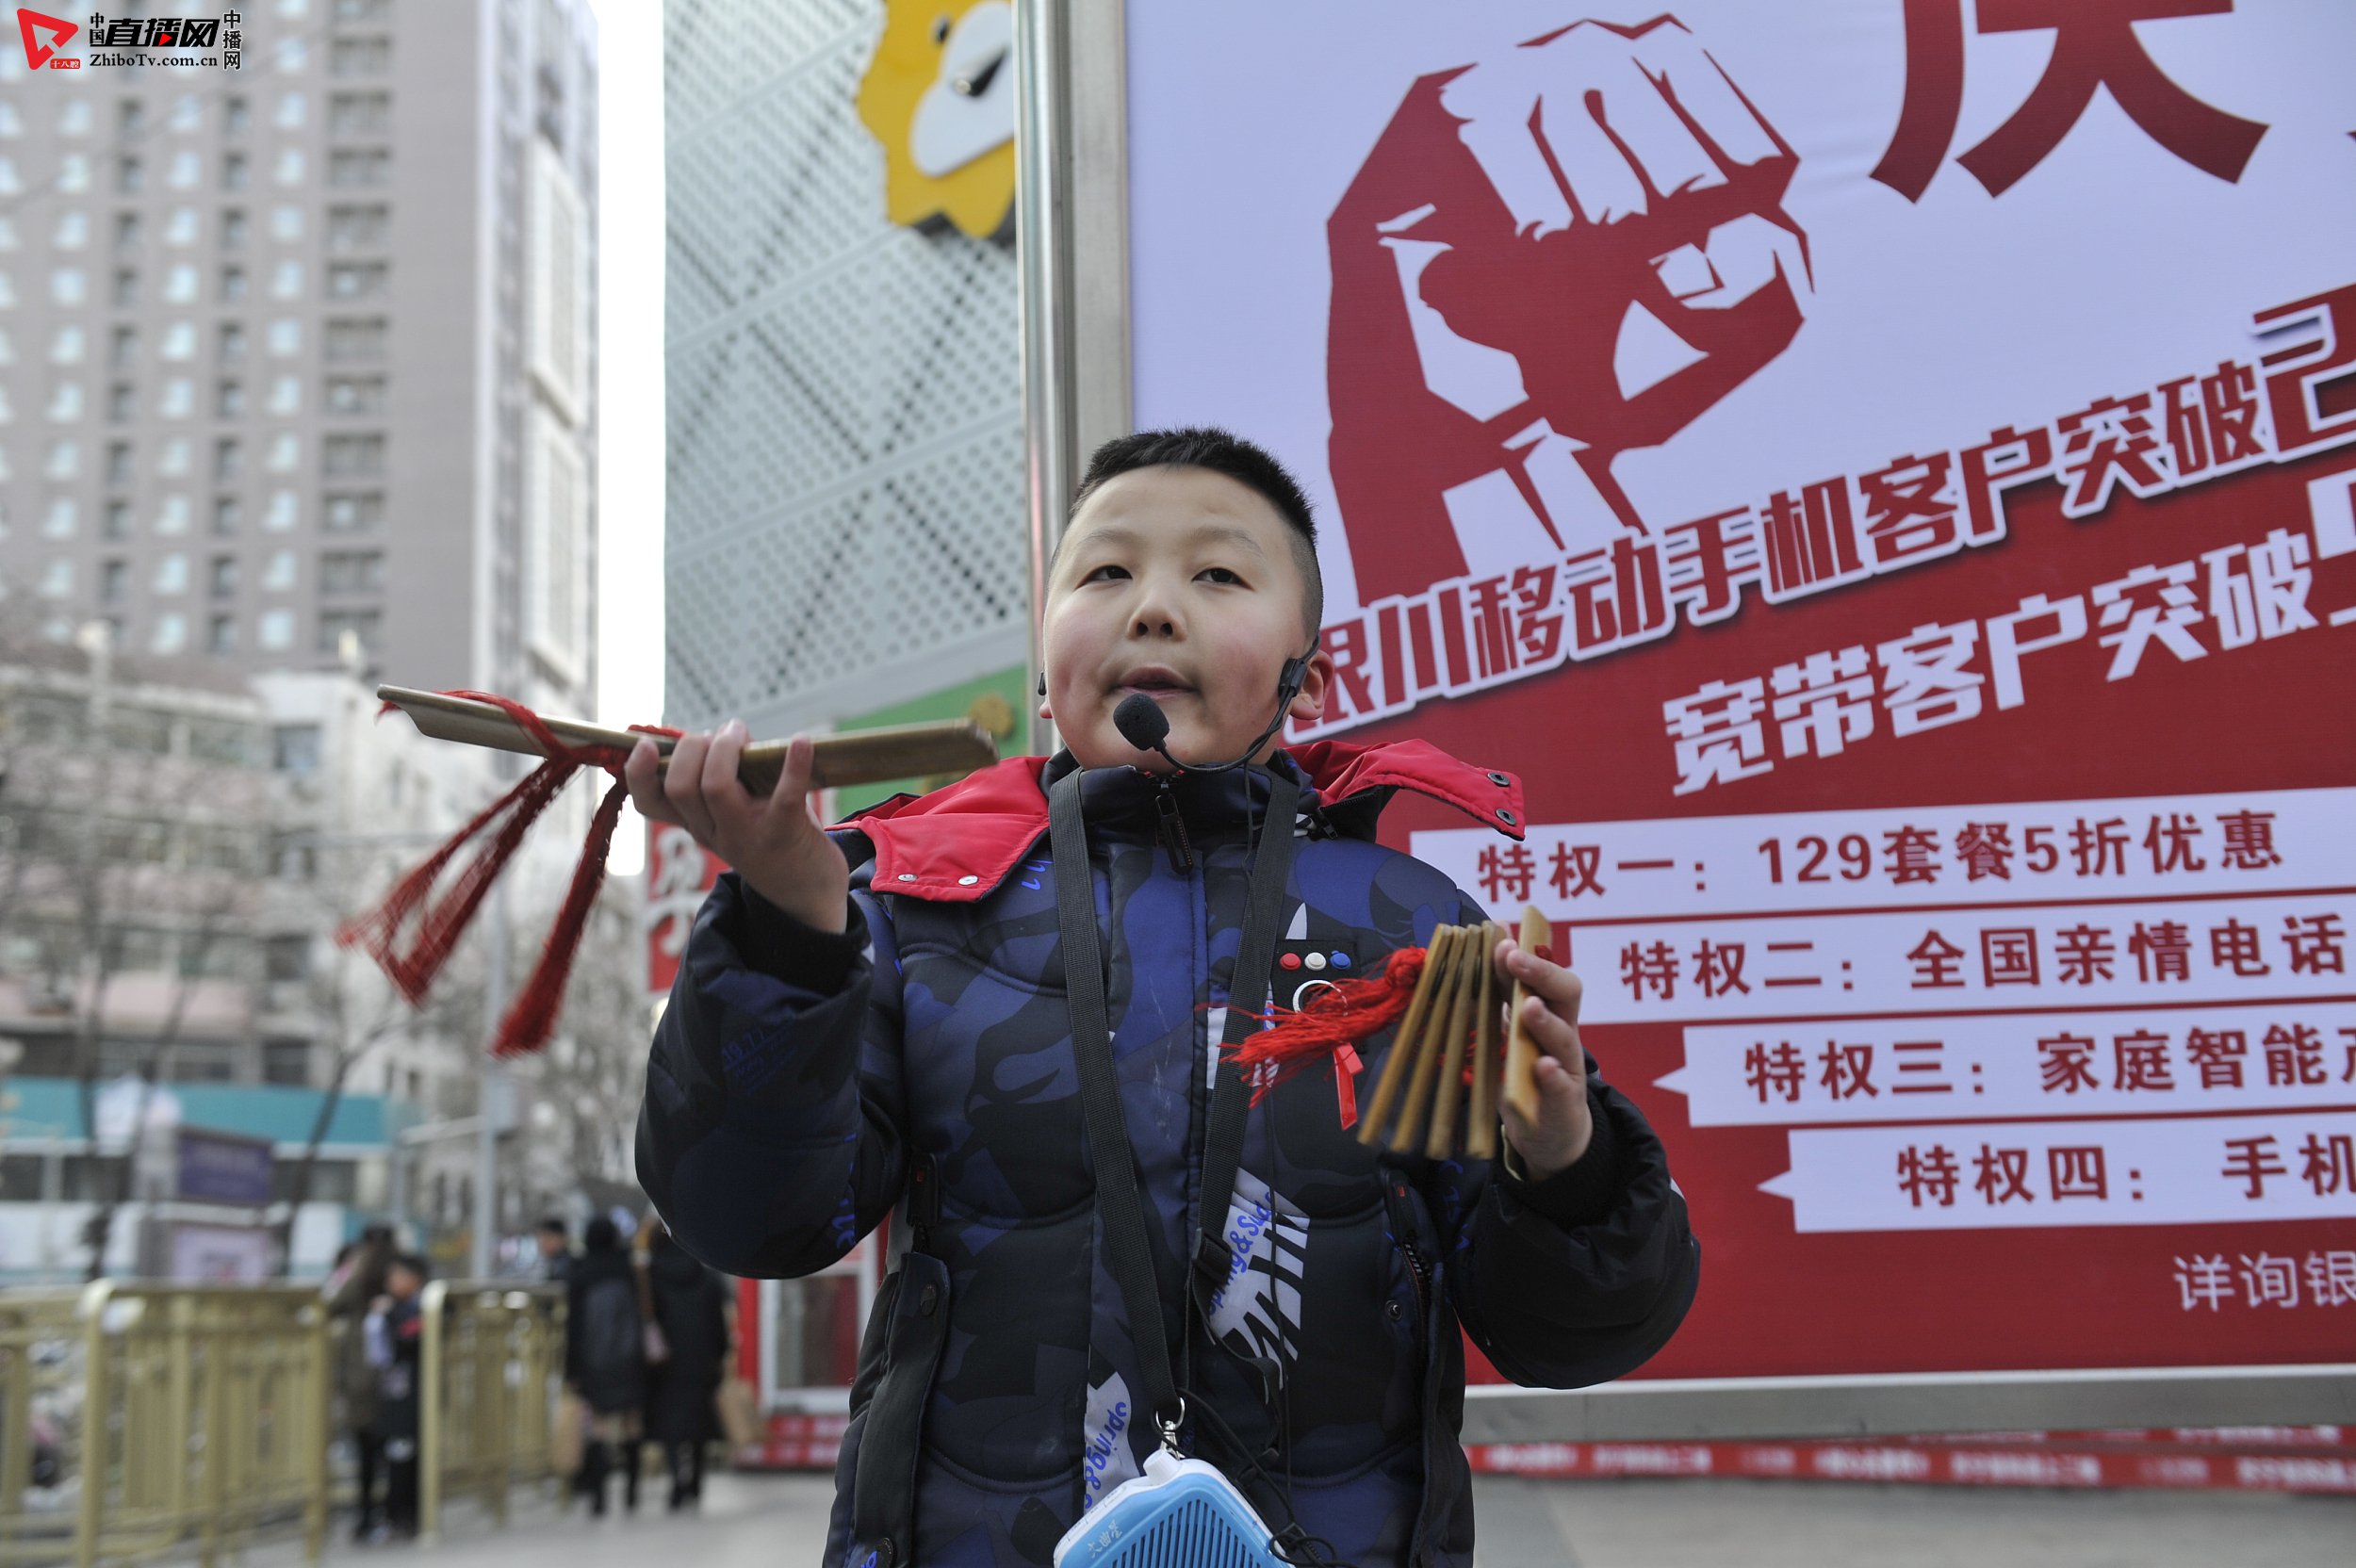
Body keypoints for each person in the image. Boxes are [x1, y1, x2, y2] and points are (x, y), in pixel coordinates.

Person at [629, 428, 1698, 1566]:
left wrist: (1566, 1168)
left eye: (1218, 574)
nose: (1153, 607)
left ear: (1309, 672)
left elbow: (1562, 1330)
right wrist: (786, 936)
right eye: (1104, 572)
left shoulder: (1415, 926)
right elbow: (754, 1218)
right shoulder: (911, 903)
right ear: (1042, 668)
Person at [639, 1214, 732, 1510]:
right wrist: (719, 1354)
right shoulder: (706, 1274)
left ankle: (676, 1479)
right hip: (701, 1358)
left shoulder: (649, 1276)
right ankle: (696, 1480)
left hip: (664, 1362)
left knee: (670, 1423)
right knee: (698, 1423)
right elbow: (719, 1322)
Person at [564, 1216, 648, 1515]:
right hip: (630, 1357)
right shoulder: (628, 1269)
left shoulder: (581, 1273)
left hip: (594, 1360)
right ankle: (632, 1492)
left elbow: (573, 1326)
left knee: (598, 1426)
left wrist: (571, 1369)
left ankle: (599, 1498)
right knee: (631, 1423)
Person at [324, 1225, 394, 1543]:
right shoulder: (401, 1268)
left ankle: (366, 1516)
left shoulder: (359, 1270)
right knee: (391, 1447)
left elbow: (332, 1304)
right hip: (394, 1375)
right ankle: (392, 1512)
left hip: (361, 1373)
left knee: (365, 1449)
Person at [364, 1252, 429, 1542]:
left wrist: (389, 1317)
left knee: (408, 1459)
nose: (390, 1282)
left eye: (396, 1276)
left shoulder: (427, 1306)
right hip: (396, 1396)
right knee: (396, 1457)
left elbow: (408, 1340)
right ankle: (397, 1515)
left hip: (413, 1398)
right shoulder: (395, 1309)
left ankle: (406, 1516)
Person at [536, 1217, 574, 1284]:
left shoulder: (567, 1266)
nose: (543, 1242)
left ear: (562, 1238)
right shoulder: (553, 1263)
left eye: (548, 1237)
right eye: (541, 1237)